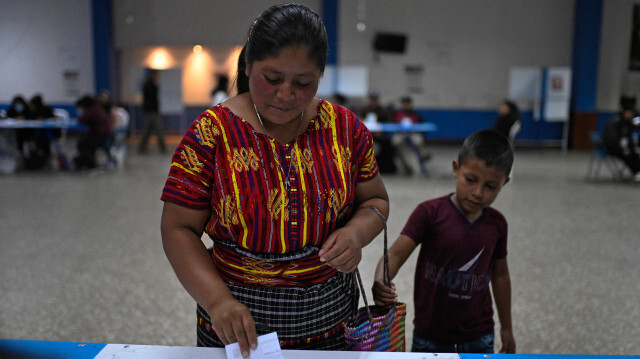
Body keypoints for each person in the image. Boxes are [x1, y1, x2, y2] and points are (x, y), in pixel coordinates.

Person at [160, 3, 389, 356]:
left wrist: (355, 234)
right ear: (248, 65)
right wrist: (218, 302)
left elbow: (376, 202)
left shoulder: (344, 128)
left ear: (320, 76)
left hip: (331, 322)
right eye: (272, 78)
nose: (286, 94)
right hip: (237, 323)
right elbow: (178, 229)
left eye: (303, 83)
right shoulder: (210, 135)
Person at [372, 129, 516, 354]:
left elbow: (500, 275)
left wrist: (507, 328)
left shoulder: (497, 224)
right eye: (471, 180)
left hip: (479, 336)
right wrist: (381, 279)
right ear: (456, 169)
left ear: (504, 183)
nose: (478, 192)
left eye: (490, 186)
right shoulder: (429, 213)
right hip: (430, 336)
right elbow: (396, 254)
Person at [602, 97, 640, 181]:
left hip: (624, 147)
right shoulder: (615, 122)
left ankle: (638, 171)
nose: (631, 115)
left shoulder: (627, 123)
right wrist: (622, 149)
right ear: (624, 112)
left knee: (634, 153)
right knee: (629, 155)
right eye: (630, 113)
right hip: (614, 148)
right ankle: (636, 171)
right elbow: (611, 140)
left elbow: (635, 126)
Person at [359, 91, 396, 173]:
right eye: (372, 99)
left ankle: (386, 168)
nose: (373, 101)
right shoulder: (364, 109)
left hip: (381, 136)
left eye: (375, 99)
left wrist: (381, 131)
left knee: (388, 145)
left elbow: (390, 122)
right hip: (367, 136)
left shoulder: (383, 110)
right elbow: (358, 121)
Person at [73, 95, 113, 170]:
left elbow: (82, 119)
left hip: (100, 135)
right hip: (104, 134)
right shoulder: (98, 108)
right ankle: (86, 161)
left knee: (83, 144)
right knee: (85, 143)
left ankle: (89, 163)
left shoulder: (92, 110)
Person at [138, 69, 166, 154]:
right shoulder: (149, 85)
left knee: (147, 131)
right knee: (158, 130)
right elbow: (150, 98)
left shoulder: (151, 85)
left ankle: (142, 148)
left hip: (151, 111)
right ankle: (162, 148)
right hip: (151, 111)